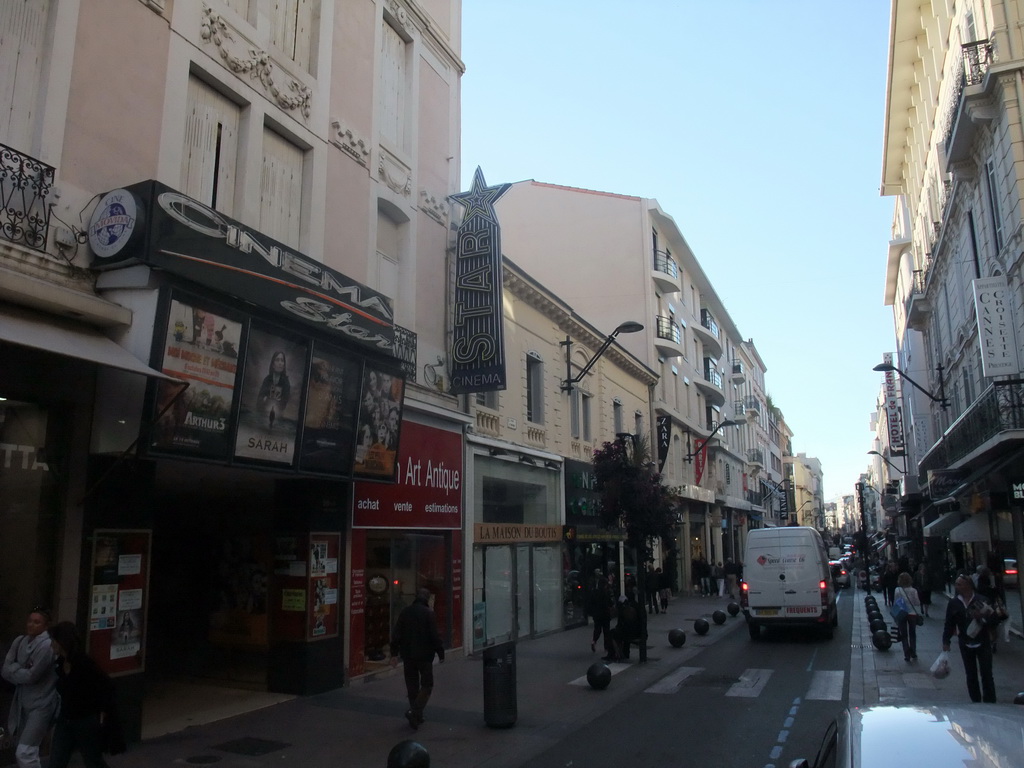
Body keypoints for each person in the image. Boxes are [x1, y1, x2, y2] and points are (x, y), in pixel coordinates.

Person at [47, 621, 121, 768]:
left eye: (53, 641)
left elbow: (107, 686)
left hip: (85, 721)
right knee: (56, 762)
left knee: (93, 761)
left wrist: (102, 711)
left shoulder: (84, 663)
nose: (51, 645)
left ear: (62, 642)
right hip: (66, 719)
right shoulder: (61, 663)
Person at [2, 608, 59, 768]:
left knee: (25, 751)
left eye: (37, 622)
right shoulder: (20, 641)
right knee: (23, 748)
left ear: (45, 626)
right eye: (30, 621)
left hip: (42, 704)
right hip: (22, 703)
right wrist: (19, 671)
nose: (31, 625)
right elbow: (5, 670)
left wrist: (15, 670)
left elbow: (32, 676)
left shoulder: (46, 646)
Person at [389, 588, 445, 730]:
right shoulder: (429, 614)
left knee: (412, 685)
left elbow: (396, 634)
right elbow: (434, 636)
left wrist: (394, 653)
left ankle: (416, 714)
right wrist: (440, 651)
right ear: (426, 599)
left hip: (408, 655)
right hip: (425, 656)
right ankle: (415, 712)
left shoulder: (405, 612)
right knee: (427, 685)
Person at [942, 573, 997, 703]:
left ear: (968, 585)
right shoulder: (954, 603)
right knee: (970, 674)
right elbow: (949, 622)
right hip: (965, 642)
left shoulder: (982, 600)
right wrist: (946, 641)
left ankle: (990, 701)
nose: (956, 586)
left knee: (986, 673)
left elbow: (994, 620)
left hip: (982, 641)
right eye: (956, 584)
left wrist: (982, 617)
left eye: (959, 584)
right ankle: (976, 701)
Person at [257, 350, 291, 428]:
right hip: (264, 413)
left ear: (284, 364)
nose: (280, 363)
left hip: (278, 415)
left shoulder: (286, 382)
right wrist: (264, 400)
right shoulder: (267, 379)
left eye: (282, 361)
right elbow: (260, 397)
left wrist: (278, 403)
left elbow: (285, 399)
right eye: (277, 360)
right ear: (273, 364)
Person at [893, 572, 922, 662]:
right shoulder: (913, 590)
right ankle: (913, 651)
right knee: (912, 634)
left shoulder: (897, 590)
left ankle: (906, 654)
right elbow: (917, 603)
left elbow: (895, 602)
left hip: (902, 613)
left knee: (904, 635)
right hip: (912, 614)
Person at [607, 593, 641, 662]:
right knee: (619, 634)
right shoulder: (636, 606)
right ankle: (622, 653)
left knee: (612, 634)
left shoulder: (624, 610)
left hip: (628, 633)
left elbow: (621, 626)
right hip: (636, 632)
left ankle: (617, 653)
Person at [588, 571, 613, 655]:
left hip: (597, 614)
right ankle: (606, 647)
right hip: (605, 614)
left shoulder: (595, 592)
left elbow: (591, 602)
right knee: (606, 631)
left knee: (597, 629)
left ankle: (594, 641)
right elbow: (610, 603)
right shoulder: (606, 593)